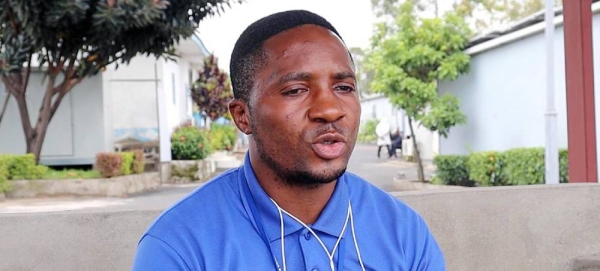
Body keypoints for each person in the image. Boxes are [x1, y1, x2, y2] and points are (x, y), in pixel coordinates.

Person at [132, 10, 445, 271]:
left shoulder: (404, 234)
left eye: (344, 88)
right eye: (296, 90)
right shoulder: (179, 247)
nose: (330, 110)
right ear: (243, 115)